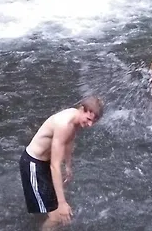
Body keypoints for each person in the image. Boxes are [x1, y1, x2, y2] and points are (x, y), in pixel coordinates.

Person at [19, 96, 104, 229]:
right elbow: (55, 165)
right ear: (82, 109)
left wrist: (68, 166)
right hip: (33, 165)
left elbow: (69, 141)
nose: (90, 125)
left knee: (57, 211)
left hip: (44, 163)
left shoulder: (75, 119)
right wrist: (62, 202)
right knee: (57, 217)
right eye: (88, 119)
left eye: (93, 121)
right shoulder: (64, 124)